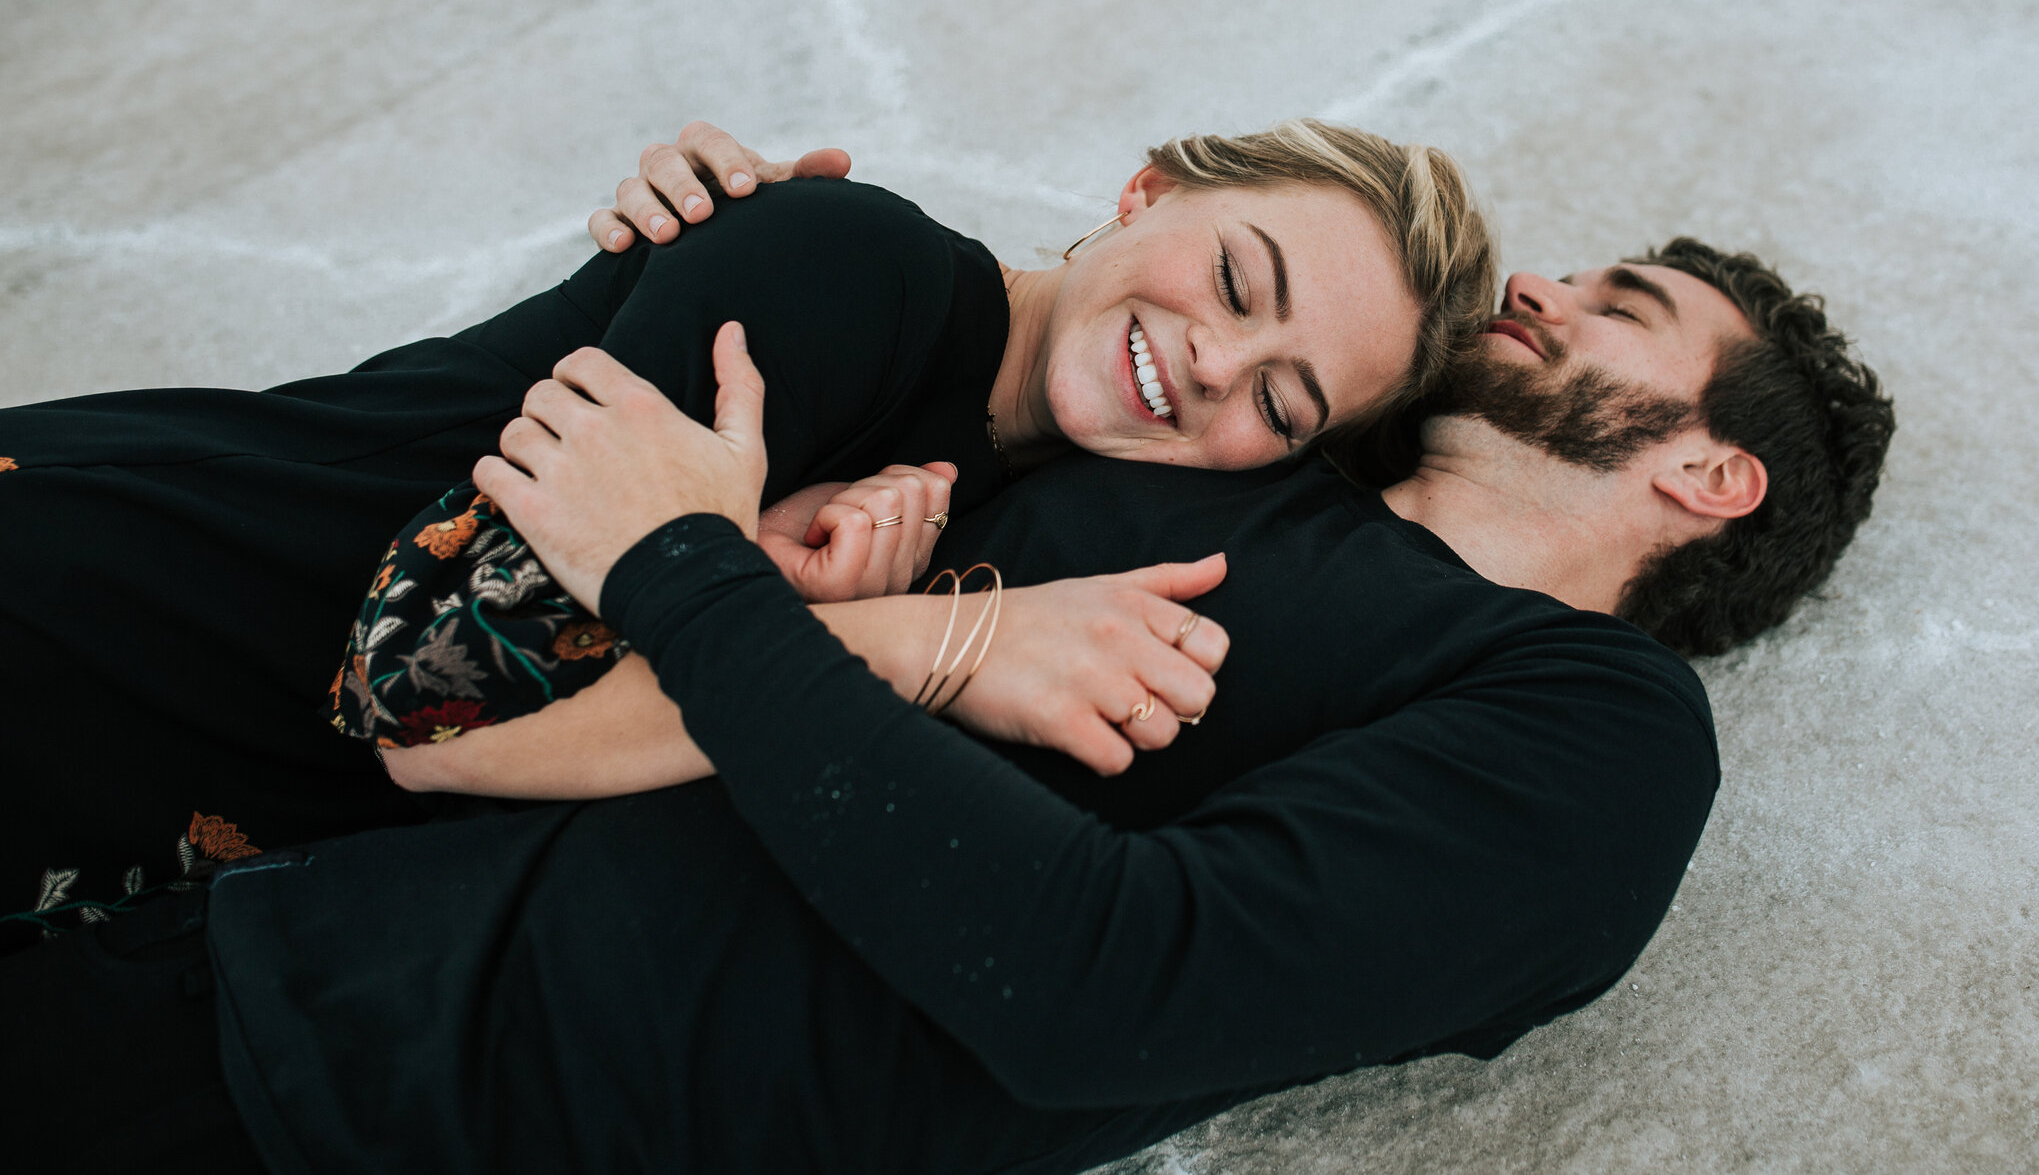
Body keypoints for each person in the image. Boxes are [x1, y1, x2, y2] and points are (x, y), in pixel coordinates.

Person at [0, 133, 1895, 1174]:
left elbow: (1110, 996)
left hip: (486, 1126)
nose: (1544, 290)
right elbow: (469, 729)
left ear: (1712, 471)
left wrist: (713, 582)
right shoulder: (1159, 466)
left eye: (1622, 311)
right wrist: (804, 560)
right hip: (241, 939)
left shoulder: (1597, 741)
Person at [0, 122, 1495, 936]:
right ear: (1145, 188)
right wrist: (935, 648)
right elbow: (425, 679)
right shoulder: (859, 269)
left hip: (146, 819)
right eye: (1238, 281)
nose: (1218, 365)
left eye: (1285, 404)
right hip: (89, 606)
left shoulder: (988, 498)